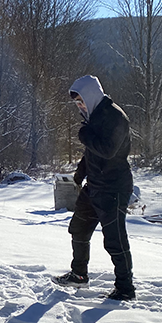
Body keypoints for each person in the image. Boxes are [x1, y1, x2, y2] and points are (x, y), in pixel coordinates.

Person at [51, 75, 136, 301]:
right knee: (78, 228)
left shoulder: (116, 117)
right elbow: (91, 153)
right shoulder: (94, 116)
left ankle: (125, 288)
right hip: (95, 186)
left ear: (91, 95)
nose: (80, 106)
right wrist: (79, 176)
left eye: (81, 101)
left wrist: (85, 135)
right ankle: (79, 275)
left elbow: (107, 150)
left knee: (114, 239)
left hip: (114, 188)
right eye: (77, 103)